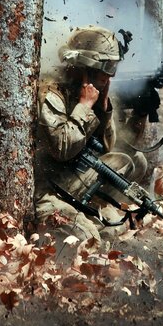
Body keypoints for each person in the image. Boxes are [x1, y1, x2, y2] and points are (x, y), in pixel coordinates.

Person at [34, 25, 146, 246]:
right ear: (87, 65)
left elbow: (106, 147)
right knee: (88, 238)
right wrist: (85, 106)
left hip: (72, 179)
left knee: (132, 162)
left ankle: (91, 213)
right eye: (107, 66)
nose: (109, 75)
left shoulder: (87, 91)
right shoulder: (51, 93)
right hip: (47, 190)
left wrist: (102, 108)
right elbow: (61, 149)